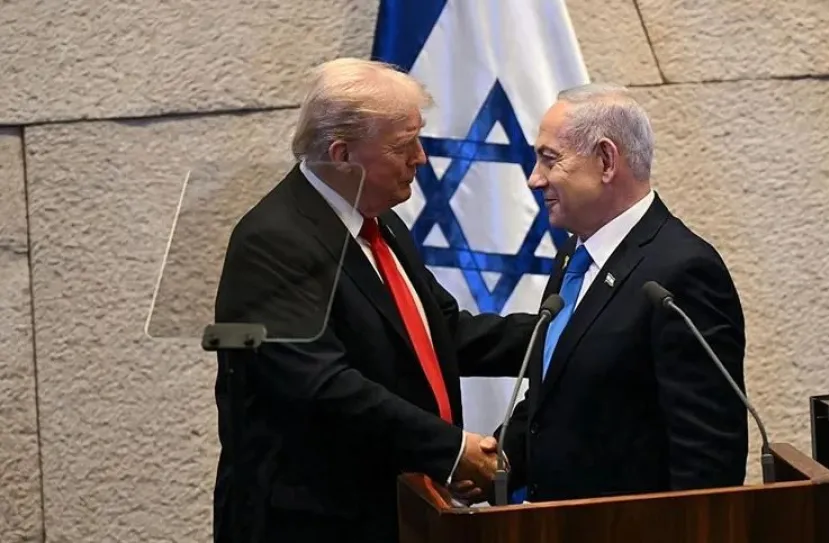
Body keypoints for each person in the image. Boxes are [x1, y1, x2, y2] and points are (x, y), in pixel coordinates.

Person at [211, 58, 537, 543]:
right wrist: (451, 450)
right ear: (341, 154)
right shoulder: (273, 241)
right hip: (313, 524)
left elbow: (444, 333)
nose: (421, 158)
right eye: (404, 145)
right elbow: (324, 386)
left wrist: (568, 332)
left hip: (397, 510)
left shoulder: (379, 223)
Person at [497, 83, 748, 503]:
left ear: (606, 161)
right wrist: (497, 460)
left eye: (549, 159)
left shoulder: (682, 272)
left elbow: (707, 461)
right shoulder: (574, 254)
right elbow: (555, 397)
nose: (533, 179)